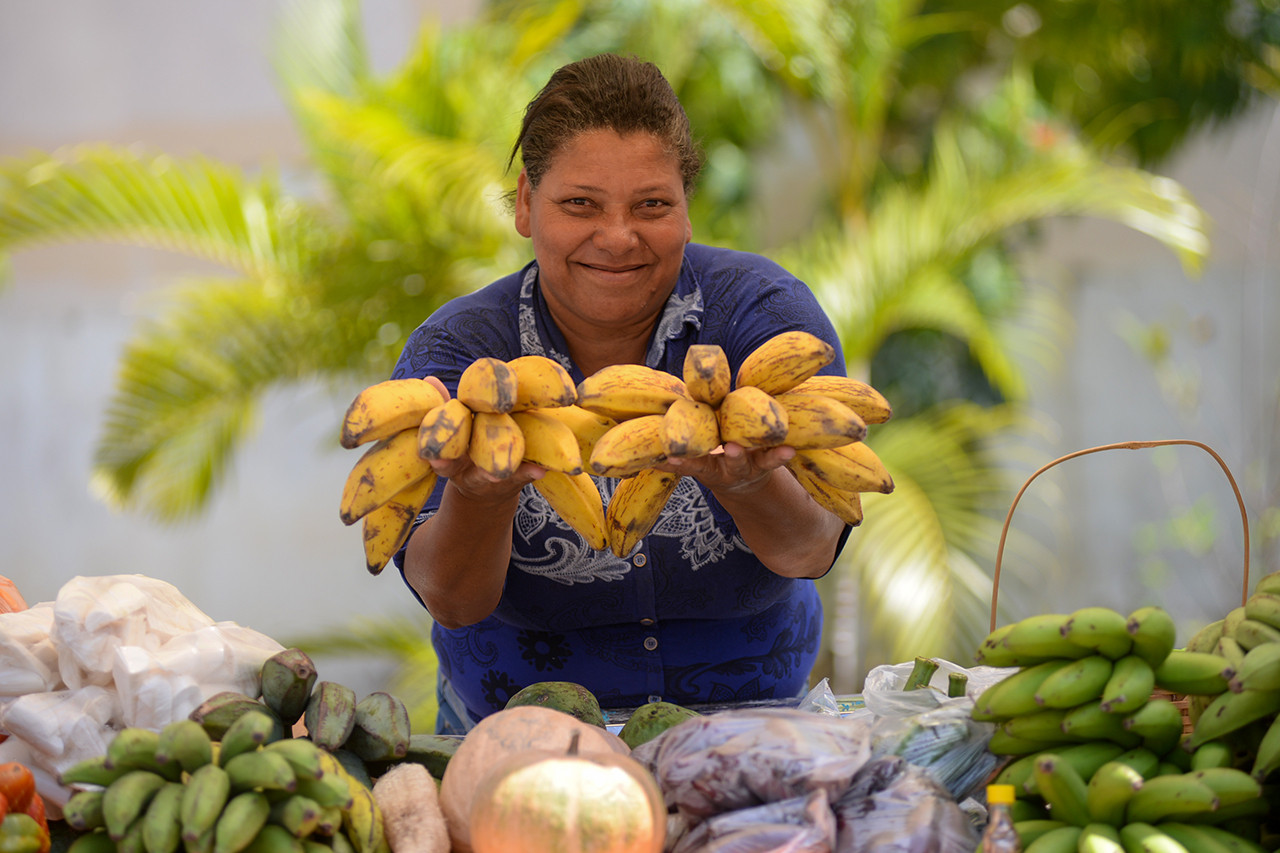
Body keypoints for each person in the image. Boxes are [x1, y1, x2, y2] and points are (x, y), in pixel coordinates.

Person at [391, 52, 852, 734]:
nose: (617, 236)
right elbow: (451, 599)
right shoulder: (457, 358)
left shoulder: (766, 325)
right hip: (520, 739)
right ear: (525, 203)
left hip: (753, 729)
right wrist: (479, 493)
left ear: (687, 209)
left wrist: (750, 484)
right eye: (580, 204)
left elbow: (813, 549)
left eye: (652, 205)